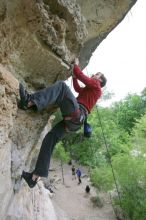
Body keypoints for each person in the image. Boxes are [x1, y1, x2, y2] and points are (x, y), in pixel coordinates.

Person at [19, 58, 107, 188]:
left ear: (99, 80)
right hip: (74, 122)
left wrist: (76, 66)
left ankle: (29, 101)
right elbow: (77, 89)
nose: (94, 74)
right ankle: (34, 177)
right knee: (49, 140)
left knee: (61, 86)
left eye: (97, 74)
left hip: (77, 115)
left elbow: (84, 78)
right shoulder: (91, 88)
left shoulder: (96, 86)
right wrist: (74, 75)